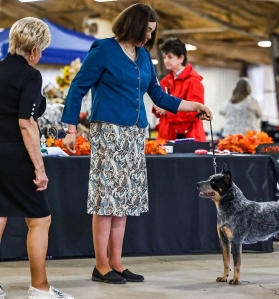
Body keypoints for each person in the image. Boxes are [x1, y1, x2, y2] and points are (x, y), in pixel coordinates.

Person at [61, 3, 212, 285]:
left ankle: (116, 262)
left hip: (133, 135)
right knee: (106, 201)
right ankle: (101, 265)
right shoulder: (103, 50)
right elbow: (77, 87)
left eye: (153, 33)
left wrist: (195, 106)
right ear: (133, 25)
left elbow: (159, 96)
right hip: (108, 132)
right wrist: (70, 128)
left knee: (124, 202)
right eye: (147, 30)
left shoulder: (143, 57)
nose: (149, 37)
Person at [0, 18, 73, 299]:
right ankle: (40, 288)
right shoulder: (30, 75)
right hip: (15, 154)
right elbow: (26, 123)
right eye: (40, 51)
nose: (40, 56)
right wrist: (39, 169)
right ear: (32, 51)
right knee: (39, 220)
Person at [152, 38, 206, 141]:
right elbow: (157, 111)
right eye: (164, 57)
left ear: (181, 58)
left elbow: (196, 112)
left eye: (170, 57)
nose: (166, 61)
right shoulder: (164, 82)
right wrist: (157, 106)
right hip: (166, 137)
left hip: (189, 138)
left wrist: (167, 110)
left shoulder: (194, 82)